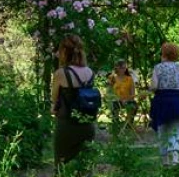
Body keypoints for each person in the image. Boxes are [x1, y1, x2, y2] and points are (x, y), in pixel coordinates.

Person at [50, 34, 96, 165]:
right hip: (87, 125)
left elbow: (54, 100)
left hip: (67, 125)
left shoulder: (61, 73)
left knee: (62, 166)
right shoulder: (90, 72)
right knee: (85, 167)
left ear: (64, 51)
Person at [148, 42, 179, 166]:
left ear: (163, 54)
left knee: (162, 131)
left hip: (163, 102)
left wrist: (149, 89)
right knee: (177, 131)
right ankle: (175, 159)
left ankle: (165, 161)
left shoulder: (158, 68)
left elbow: (154, 86)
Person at [106, 59, 139, 130]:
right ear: (116, 68)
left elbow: (133, 93)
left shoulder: (129, 79)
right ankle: (116, 124)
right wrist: (114, 98)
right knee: (114, 105)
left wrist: (127, 99)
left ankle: (128, 124)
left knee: (134, 105)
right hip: (116, 100)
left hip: (128, 100)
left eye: (124, 67)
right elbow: (109, 92)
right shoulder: (112, 77)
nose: (123, 69)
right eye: (121, 67)